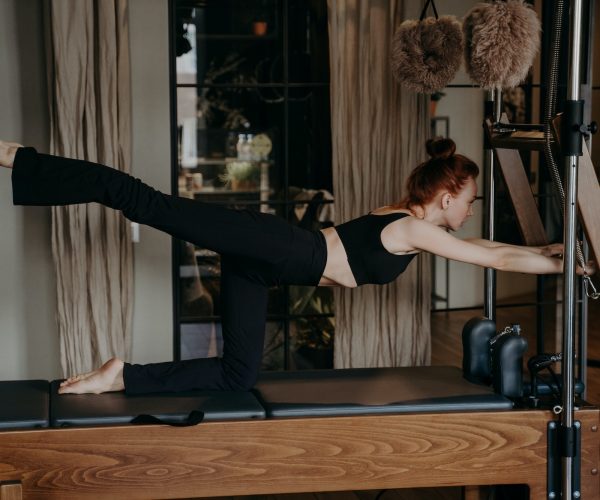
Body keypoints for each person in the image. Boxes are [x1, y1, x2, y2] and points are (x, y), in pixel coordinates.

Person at [0, 138, 578, 396]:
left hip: (264, 267)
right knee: (142, 200)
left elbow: (485, 243)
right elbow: (492, 255)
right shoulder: (411, 228)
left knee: (236, 377)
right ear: (447, 196)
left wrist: (554, 247)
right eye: (470, 196)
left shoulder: (404, 217)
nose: (472, 206)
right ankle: (20, 159)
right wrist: (568, 267)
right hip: (277, 246)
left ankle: (120, 374)